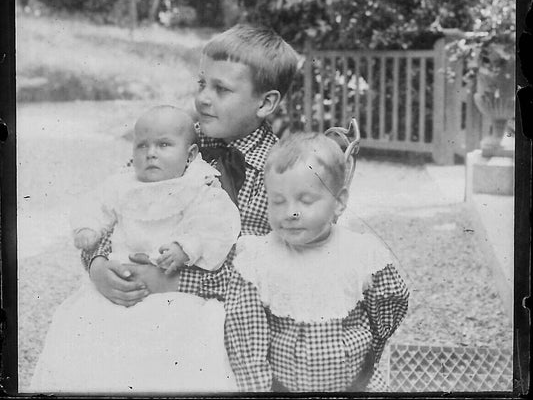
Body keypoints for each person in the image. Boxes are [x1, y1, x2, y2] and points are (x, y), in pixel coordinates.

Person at [80, 24, 299, 306]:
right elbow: (117, 201)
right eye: (202, 84)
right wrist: (97, 264)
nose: (203, 98)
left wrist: (173, 282)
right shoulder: (175, 141)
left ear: (265, 103)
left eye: (221, 89)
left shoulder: (278, 173)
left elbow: (261, 267)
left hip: (224, 309)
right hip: (140, 288)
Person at [29, 106, 241, 394]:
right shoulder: (124, 183)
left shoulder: (197, 185)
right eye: (142, 145)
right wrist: (88, 228)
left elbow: (215, 223)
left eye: (164, 145)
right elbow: (96, 203)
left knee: (179, 343)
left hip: (173, 290)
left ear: (190, 155)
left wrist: (185, 247)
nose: (150, 153)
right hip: (121, 279)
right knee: (86, 330)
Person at [224, 131, 410, 392]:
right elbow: (245, 338)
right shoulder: (257, 260)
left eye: (306, 200)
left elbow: (390, 301)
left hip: (358, 382)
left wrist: (371, 349)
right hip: (285, 387)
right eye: (277, 201)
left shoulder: (361, 253)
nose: (290, 212)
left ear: (339, 203)